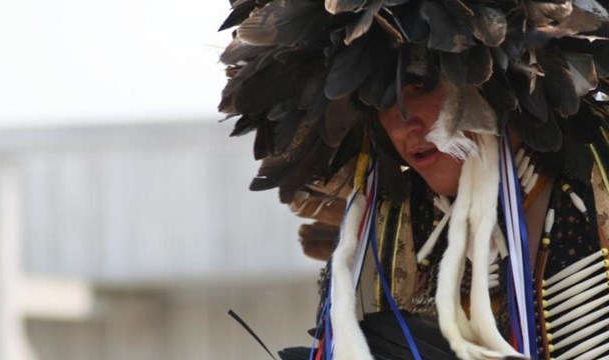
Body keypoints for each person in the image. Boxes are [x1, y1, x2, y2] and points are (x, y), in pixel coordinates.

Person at [218, 1, 609, 359]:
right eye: (380, 101)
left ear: (497, 79)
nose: (404, 123)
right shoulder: (396, 233)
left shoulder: (593, 181)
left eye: (421, 85)